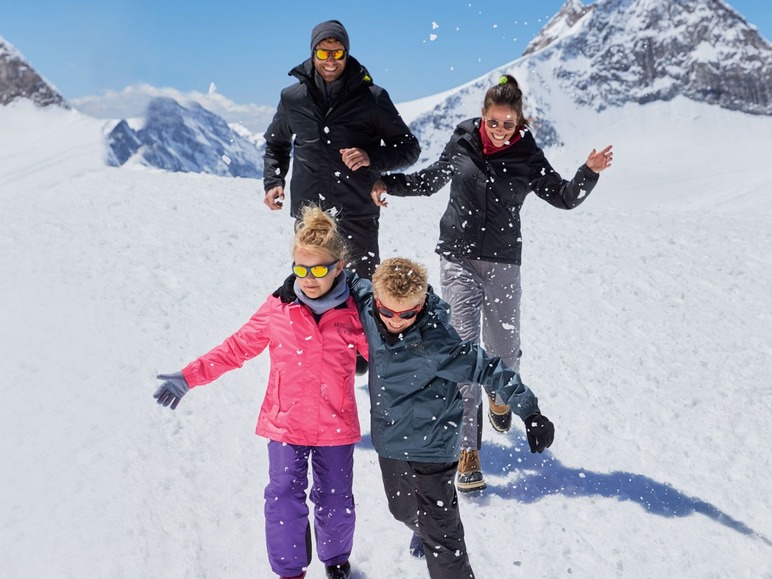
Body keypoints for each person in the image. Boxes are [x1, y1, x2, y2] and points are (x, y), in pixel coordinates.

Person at [371, 74, 612, 492]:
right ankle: (468, 449)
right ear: (483, 116)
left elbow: (563, 196)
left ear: (520, 123)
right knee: (463, 353)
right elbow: (429, 181)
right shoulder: (463, 141)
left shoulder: (526, 154)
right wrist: (383, 182)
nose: (501, 132)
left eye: (509, 124)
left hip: (502, 262)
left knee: (503, 351)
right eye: (495, 122)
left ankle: (501, 395)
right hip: (457, 258)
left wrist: (587, 173)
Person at [152, 206, 368, 579]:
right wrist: (189, 376)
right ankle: (290, 573)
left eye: (318, 269)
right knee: (283, 499)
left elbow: (390, 360)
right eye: (300, 269)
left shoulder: (355, 313)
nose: (309, 278)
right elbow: (236, 347)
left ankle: (337, 564)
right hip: (284, 423)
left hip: (336, 423)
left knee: (335, 502)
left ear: (338, 267)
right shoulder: (279, 308)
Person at [349, 257, 554, 579]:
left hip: (434, 444)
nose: (396, 321)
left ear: (421, 304)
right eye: (387, 312)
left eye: (407, 314)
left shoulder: (438, 342)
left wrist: (531, 411)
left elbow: (490, 369)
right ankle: (425, 528)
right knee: (402, 511)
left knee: (444, 541)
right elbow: (338, 276)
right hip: (390, 439)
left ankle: (437, 539)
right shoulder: (368, 305)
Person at [262, 19, 421, 280]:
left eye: (338, 53)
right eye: (324, 53)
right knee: (313, 289)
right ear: (313, 52)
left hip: (357, 212)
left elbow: (408, 148)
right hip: (309, 216)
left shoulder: (372, 98)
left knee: (361, 294)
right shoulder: (293, 98)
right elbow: (276, 144)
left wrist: (371, 158)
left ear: (346, 53)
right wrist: (273, 181)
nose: (331, 61)